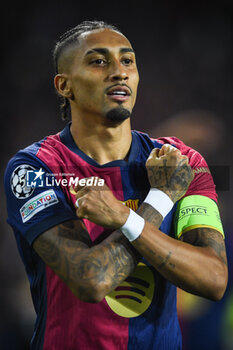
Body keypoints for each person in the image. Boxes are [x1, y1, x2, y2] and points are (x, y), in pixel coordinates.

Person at [4, 20, 228, 350]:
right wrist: (162, 198)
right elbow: (91, 281)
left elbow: (214, 279)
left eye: (127, 61)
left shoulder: (182, 161)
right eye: (98, 61)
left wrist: (125, 218)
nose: (119, 72)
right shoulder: (36, 168)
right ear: (64, 85)